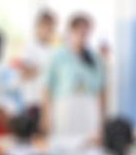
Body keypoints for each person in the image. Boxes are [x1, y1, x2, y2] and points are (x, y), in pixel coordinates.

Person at [41, 14, 106, 145]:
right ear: (70, 31)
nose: (83, 36)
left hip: (88, 106)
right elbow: (46, 87)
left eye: (86, 33)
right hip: (65, 106)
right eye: (80, 32)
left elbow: (101, 89)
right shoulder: (57, 55)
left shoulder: (94, 58)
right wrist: (46, 116)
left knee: (87, 144)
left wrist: (102, 118)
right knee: (63, 144)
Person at [19, 10, 57, 118]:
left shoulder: (54, 48)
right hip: (34, 101)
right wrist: (45, 67)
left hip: (51, 101)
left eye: (51, 28)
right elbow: (24, 74)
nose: (48, 31)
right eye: (45, 27)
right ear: (37, 27)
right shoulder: (29, 47)